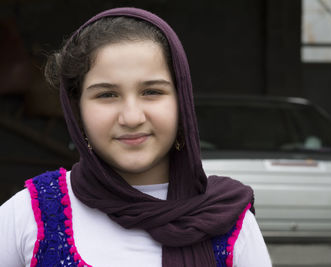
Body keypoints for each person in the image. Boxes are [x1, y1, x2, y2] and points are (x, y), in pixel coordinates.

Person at [0, 7, 272, 267]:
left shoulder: (228, 222)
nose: (131, 117)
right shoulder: (30, 215)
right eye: (106, 95)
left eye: (152, 92)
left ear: (182, 103)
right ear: (76, 109)